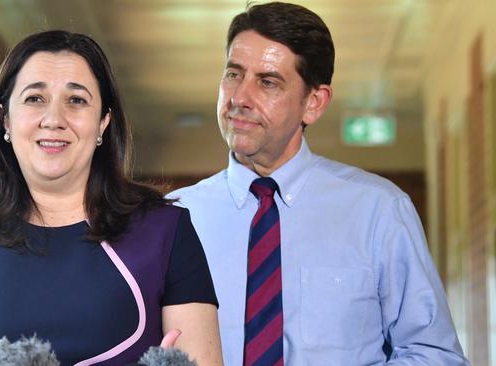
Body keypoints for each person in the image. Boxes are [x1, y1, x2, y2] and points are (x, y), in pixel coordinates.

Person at [169, 2, 468, 365]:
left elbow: (435, 355)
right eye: (233, 74)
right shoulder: (173, 218)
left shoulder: (378, 210)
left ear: (314, 103)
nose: (239, 98)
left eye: (267, 82)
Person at [0, 30, 223, 366]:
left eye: (76, 100)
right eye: (34, 99)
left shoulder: (166, 232)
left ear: (103, 123)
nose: (54, 119)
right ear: (4, 119)